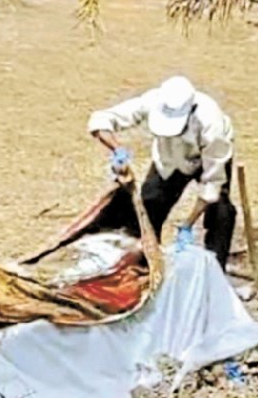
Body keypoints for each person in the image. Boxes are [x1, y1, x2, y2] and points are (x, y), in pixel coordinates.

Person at [88, 75, 237, 270]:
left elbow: (212, 186)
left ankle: (215, 268)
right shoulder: (153, 100)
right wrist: (118, 150)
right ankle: (146, 265)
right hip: (168, 160)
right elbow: (102, 120)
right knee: (149, 206)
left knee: (221, 212)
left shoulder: (211, 124)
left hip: (206, 159)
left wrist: (187, 224)